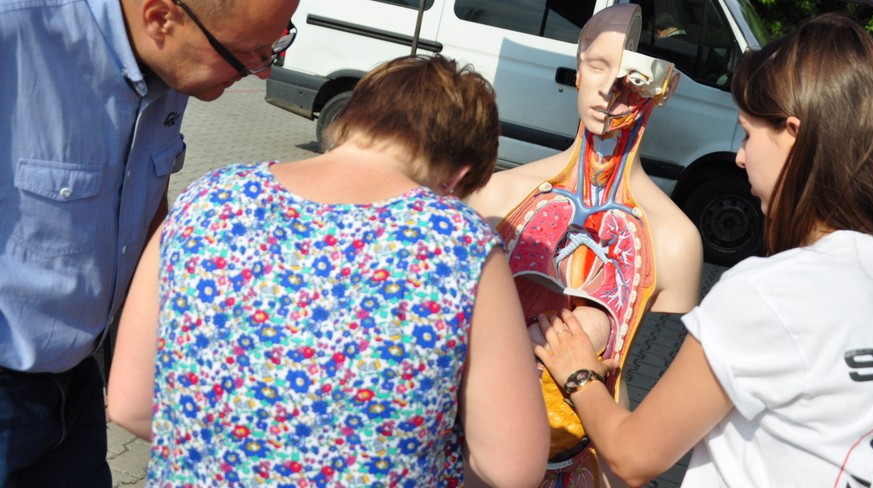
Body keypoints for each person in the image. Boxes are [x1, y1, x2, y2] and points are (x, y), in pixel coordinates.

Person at [533, 13, 873, 487]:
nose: (739, 157)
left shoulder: (772, 293)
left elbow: (633, 457)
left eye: (747, 133)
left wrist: (579, 375)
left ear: (794, 135)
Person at [107, 55, 549, 486]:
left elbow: (129, 403)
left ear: (352, 120)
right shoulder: (460, 244)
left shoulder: (207, 199)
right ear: (458, 177)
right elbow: (511, 468)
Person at [0, 0, 301, 485]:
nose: (263, 71)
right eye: (246, 55)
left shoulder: (165, 57)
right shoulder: (12, 15)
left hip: (77, 380)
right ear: (161, 16)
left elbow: (140, 198)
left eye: (275, 46)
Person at [468, 3, 703, 486]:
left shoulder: (675, 239)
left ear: (663, 90)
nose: (608, 90)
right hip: (481, 454)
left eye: (632, 77)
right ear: (577, 70)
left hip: (595, 458)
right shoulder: (496, 195)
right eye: (597, 65)